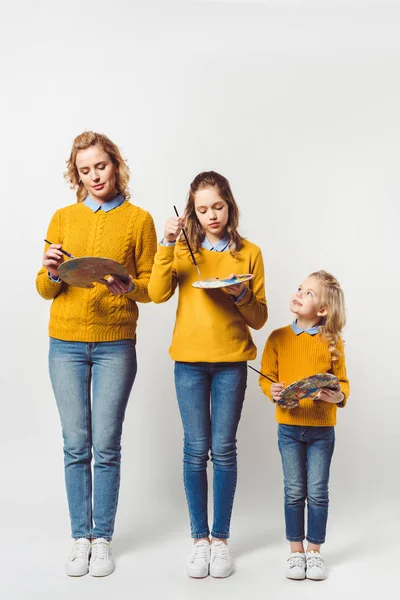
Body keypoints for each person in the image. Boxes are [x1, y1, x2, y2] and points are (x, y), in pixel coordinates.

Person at [36, 131, 157, 577]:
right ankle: (79, 537)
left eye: (100, 166)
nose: (93, 176)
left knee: (106, 445)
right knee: (75, 444)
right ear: (76, 174)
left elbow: (152, 288)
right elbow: (45, 288)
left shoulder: (139, 220)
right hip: (65, 342)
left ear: (115, 164)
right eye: (84, 170)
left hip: (115, 343)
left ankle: (102, 537)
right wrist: (50, 270)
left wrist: (130, 288)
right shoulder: (63, 217)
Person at [148, 171, 268, 578]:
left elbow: (259, 317)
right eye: (201, 210)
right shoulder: (182, 249)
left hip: (232, 360)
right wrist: (166, 243)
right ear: (192, 214)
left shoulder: (249, 252)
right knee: (195, 450)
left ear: (229, 205)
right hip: (189, 363)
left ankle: (221, 540)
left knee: (224, 448)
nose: (211, 215)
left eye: (217, 206)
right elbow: (158, 292)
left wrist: (241, 294)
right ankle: (199, 539)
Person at [259, 270, 350, 580]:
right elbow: (266, 377)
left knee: (318, 492)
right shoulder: (277, 338)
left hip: (323, 431)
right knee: (294, 491)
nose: (298, 293)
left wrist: (337, 394)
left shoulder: (333, 342)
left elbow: (344, 386)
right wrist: (270, 390)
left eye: (308, 293)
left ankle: (315, 552)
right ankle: (295, 552)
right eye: (299, 288)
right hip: (289, 429)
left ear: (322, 309)